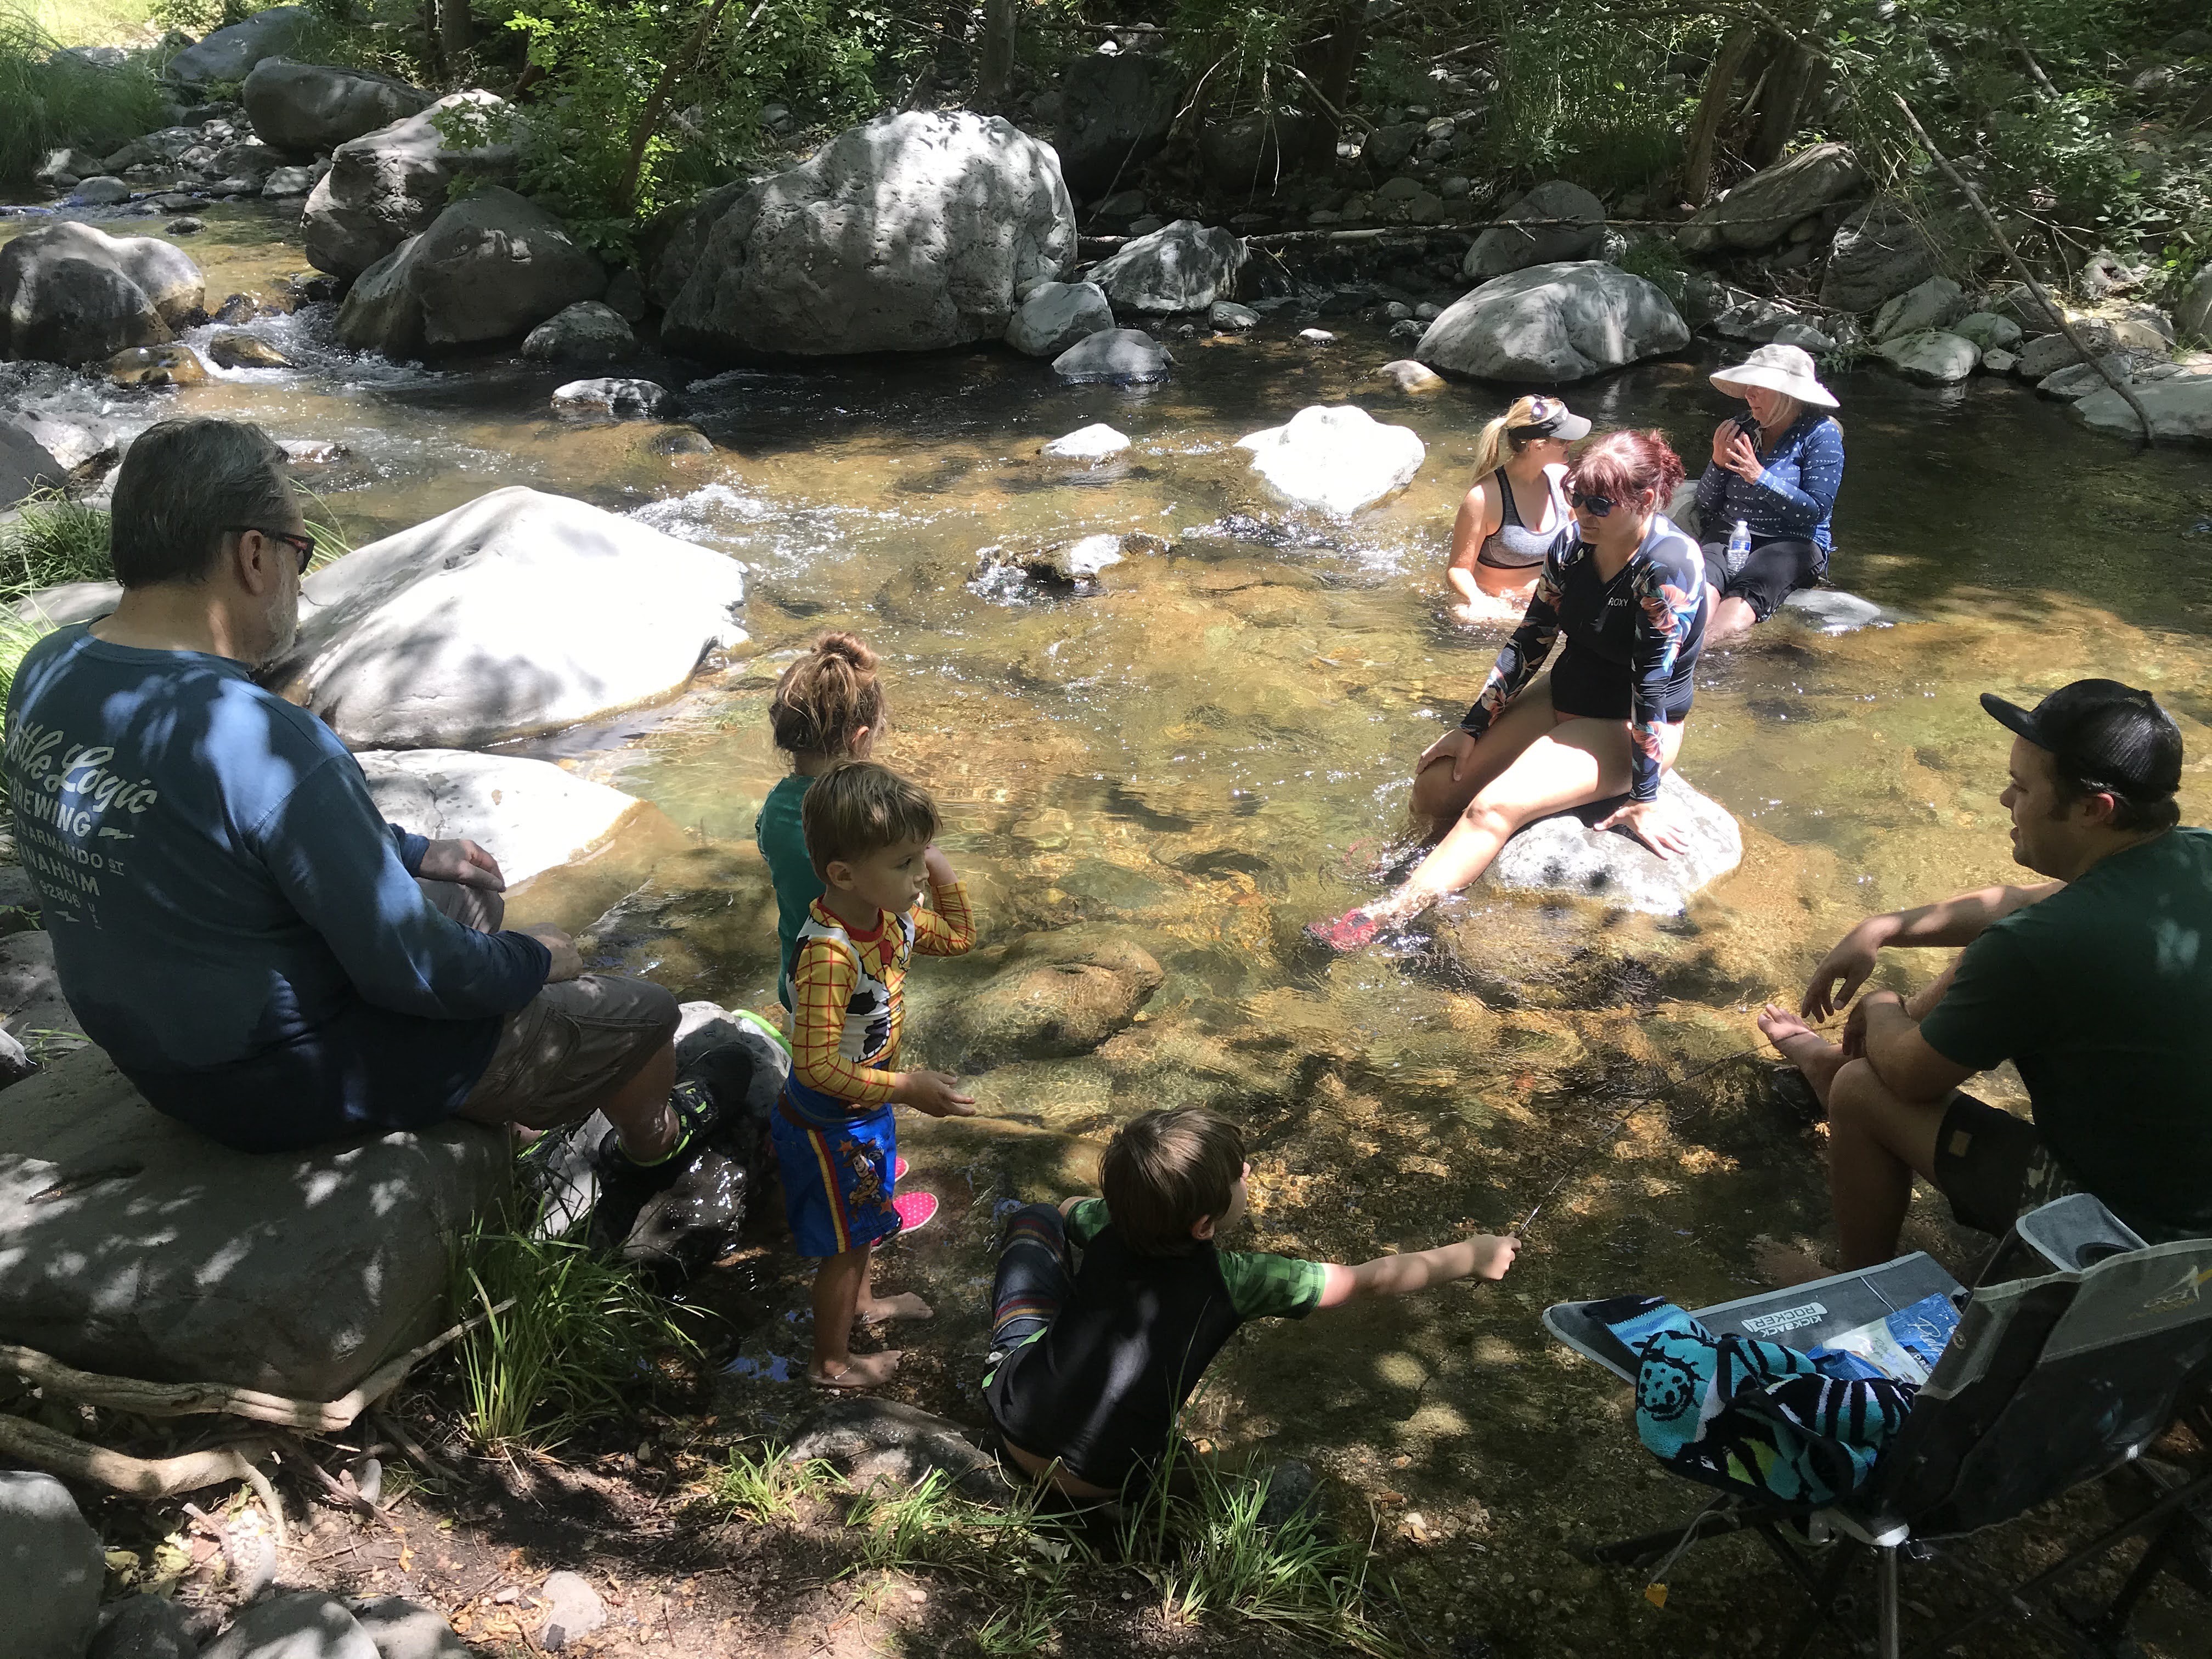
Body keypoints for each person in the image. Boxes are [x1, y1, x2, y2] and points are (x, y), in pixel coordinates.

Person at [2, 417, 737, 1166]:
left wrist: (413, 851)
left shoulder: (50, 667)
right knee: (645, 1012)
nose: (299, 577)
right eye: (299, 551)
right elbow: (420, 972)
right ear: (252, 555)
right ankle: (653, 1150)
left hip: (151, 1041)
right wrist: (540, 959)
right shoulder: (261, 737)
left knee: (466, 889)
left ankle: (496, 1103)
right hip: (277, 1077)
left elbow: (200, 825)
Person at [1756, 680, 2212, 1265]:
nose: (2003, 798)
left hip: (2143, 1248)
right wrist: (1884, 928)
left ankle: (1856, 1285)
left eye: (2021, 787)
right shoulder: (2194, 856)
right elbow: (2019, 903)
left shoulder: (2039, 946)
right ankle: (1832, 1064)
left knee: (1862, 1090)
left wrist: (1880, 1005)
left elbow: (1911, 1077)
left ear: (2093, 810)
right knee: (1995, 956)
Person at [982, 1107, 1519, 1499]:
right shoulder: (1237, 1280)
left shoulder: (1106, 1222)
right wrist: (1472, 1256)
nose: (1248, 1176)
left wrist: (1119, 1211)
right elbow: (1368, 1280)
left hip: (1014, 1427)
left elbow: (1067, 1209)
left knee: (1037, 1217)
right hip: (1107, 1480)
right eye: (1240, 1176)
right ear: (1204, 1226)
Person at [1310, 431, 1709, 952]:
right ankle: (1406, 856)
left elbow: (1651, 688)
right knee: (1435, 786)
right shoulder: (1573, 544)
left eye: (1599, 504)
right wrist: (1472, 725)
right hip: (1566, 693)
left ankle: (1383, 916)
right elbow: (1532, 637)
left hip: (1626, 720)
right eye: (1576, 497)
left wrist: (1644, 798)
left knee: (1492, 809)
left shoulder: (1668, 567)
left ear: (1647, 500)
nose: (1581, 513)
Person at [775, 760, 978, 1389]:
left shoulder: (891, 918)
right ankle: (831, 1364)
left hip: (864, 1106)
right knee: (842, 1246)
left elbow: (962, 938)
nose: (920, 876)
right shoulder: (830, 954)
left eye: (921, 857)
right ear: (843, 875)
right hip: (828, 1122)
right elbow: (814, 1067)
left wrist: (938, 867)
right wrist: (907, 1088)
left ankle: (862, 1306)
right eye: (904, 863)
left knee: (861, 1224)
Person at [755, 631, 885, 1011]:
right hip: (855, 987)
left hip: (797, 978)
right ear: (860, 739)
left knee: (807, 1042)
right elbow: (893, 901)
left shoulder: (775, 805)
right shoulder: (868, 815)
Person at [1693, 342, 1846, 645]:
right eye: (1748, 386)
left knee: (1742, 598)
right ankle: (1676, 653)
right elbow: (1707, 502)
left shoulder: (1821, 434)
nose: (1749, 394)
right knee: (1700, 591)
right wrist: (1717, 463)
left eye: (1759, 387)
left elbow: (1814, 512)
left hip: (1791, 542)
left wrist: (1759, 477)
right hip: (1728, 533)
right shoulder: (1741, 427)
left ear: (1788, 395)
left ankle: (1704, 657)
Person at [1444, 394, 1589, 616]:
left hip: (1549, 598)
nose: (1571, 443)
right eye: (1563, 439)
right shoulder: (1484, 498)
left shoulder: (1563, 481)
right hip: (1500, 606)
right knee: (1464, 615)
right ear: (1538, 445)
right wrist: (1481, 601)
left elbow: (1582, 547)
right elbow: (1458, 570)